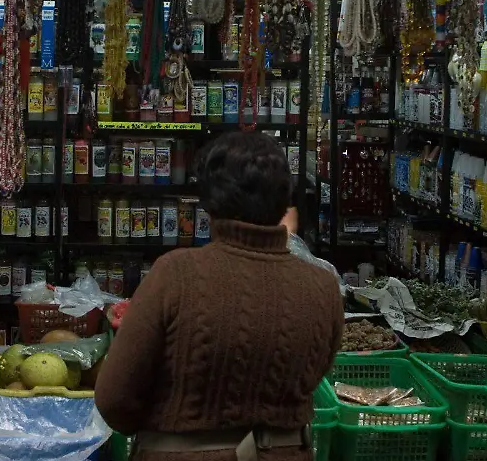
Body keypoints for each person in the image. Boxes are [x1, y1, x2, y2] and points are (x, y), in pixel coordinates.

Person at [95, 131, 344, 461]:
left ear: (208, 204)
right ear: (285, 202)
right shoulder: (322, 286)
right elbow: (313, 376)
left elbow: (114, 399)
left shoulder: (175, 273)